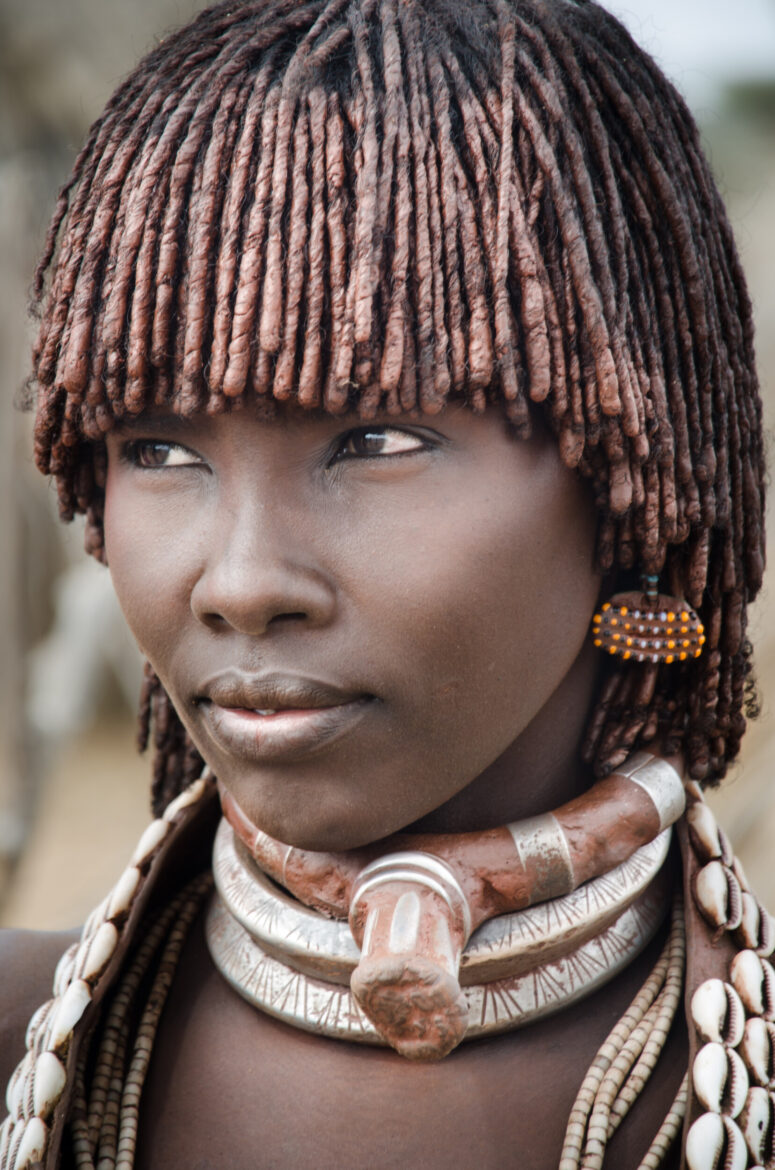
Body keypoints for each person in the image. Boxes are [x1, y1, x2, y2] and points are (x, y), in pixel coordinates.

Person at [0, 0, 769, 1166]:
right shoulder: (21, 1037)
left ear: (632, 473)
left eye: (375, 442)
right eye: (158, 450)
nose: (242, 582)